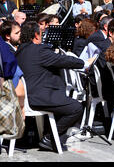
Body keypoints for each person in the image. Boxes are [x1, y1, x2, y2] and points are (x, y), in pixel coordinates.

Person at [15, 21, 95, 152]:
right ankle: (51, 138)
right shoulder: (40, 50)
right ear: (36, 35)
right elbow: (63, 60)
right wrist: (85, 63)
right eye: (41, 34)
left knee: (65, 102)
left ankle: (53, 139)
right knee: (76, 108)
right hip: (38, 96)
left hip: (27, 95)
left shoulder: (19, 51)